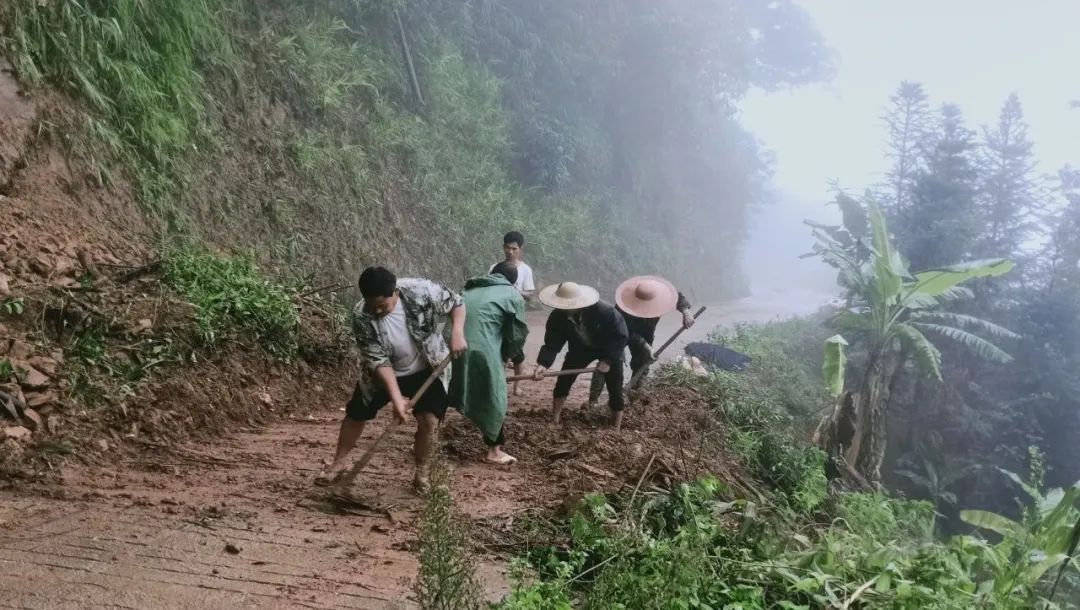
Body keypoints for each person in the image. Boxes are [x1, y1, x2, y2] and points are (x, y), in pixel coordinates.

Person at [315, 266, 467, 493]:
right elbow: (378, 361)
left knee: (429, 420)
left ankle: (422, 473)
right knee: (357, 413)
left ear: (395, 292)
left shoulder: (421, 292)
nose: (376, 311)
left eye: (382, 306)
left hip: (428, 365)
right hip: (383, 372)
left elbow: (457, 302)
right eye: (372, 306)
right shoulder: (361, 315)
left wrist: (457, 333)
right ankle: (339, 463)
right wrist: (396, 398)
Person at [449, 261, 529, 465]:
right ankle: (494, 450)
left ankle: (423, 440)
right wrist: (506, 356)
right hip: (481, 348)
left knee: (444, 390)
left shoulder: (468, 288)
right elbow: (516, 335)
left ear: (491, 274)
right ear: (513, 281)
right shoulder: (513, 295)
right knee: (495, 394)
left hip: (449, 343)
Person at [586, 276, 694, 409]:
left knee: (644, 362)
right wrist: (645, 345)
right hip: (619, 333)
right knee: (607, 362)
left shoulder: (660, 295)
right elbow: (627, 333)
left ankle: (634, 395)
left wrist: (686, 312)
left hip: (646, 332)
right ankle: (593, 401)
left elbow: (677, 297)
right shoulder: (623, 307)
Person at [534, 281, 629, 430]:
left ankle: (616, 428)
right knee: (563, 381)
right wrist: (543, 364)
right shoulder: (557, 316)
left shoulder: (605, 311)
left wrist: (608, 361)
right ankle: (555, 419)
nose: (564, 308)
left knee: (615, 388)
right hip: (580, 348)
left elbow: (620, 336)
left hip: (608, 348)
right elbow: (552, 342)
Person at [489, 231, 535, 396]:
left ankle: (517, 386)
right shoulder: (495, 267)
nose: (510, 252)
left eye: (514, 248)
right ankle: (498, 384)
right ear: (503, 247)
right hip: (497, 315)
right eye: (508, 248)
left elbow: (530, 295)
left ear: (520, 249)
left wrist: (516, 291)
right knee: (497, 351)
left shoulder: (525, 270)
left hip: (515, 316)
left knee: (517, 353)